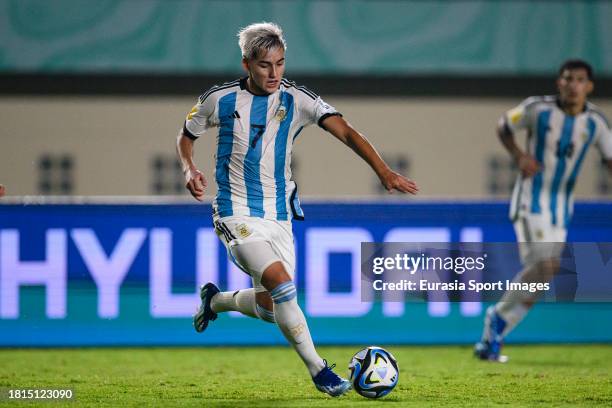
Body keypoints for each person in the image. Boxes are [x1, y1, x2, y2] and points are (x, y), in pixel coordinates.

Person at [176, 22, 418, 396]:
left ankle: (216, 300)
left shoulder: (298, 99)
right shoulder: (218, 99)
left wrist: (383, 171)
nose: (274, 74)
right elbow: (187, 135)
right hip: (234, 211)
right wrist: (189, 168)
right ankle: (320, 370)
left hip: (279, 217)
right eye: (264, 66)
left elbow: (348, 132)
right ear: (246, 64)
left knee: (273, 307)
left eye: (280, 64)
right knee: (281, 284)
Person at [475, 59, 612, 362]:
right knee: (546, 266)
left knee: (543, 276)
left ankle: (496, 328)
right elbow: (504, 124)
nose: (573, 85)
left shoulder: (595, 123)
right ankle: (496, 321)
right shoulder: (538, 109)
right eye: (567, 79)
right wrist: (519, 155)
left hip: (561, 210)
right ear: (558, 83)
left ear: (589, 86)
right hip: (530, 201)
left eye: (579, 80)